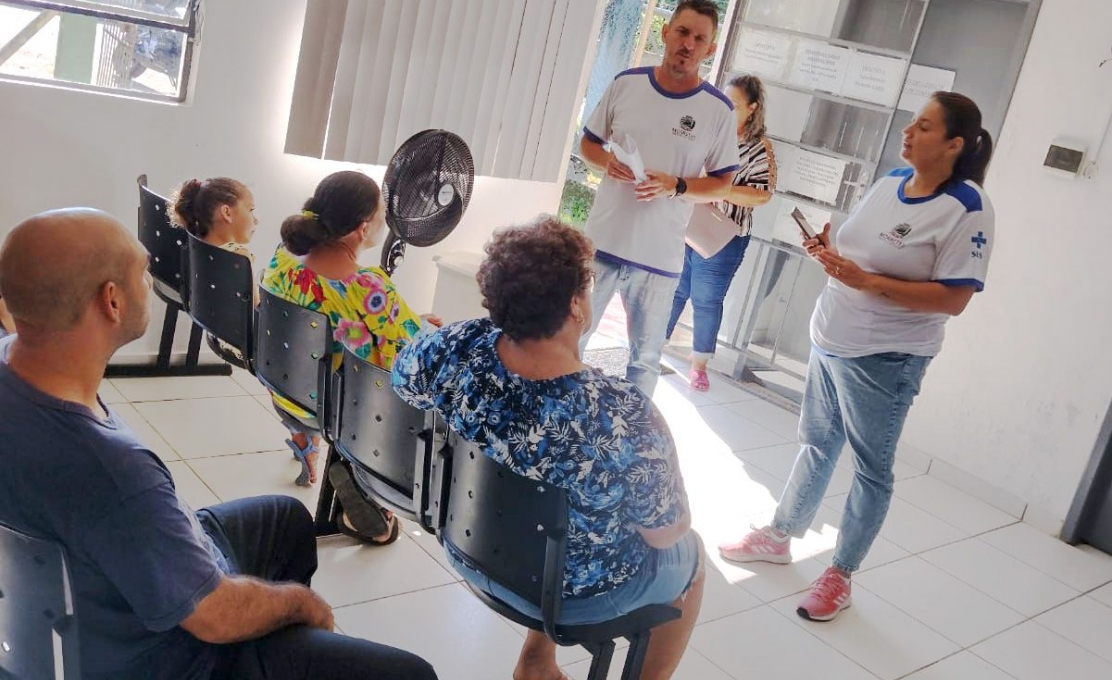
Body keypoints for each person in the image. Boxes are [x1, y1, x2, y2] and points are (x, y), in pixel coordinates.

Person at [0, 208, 437, 680]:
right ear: (112, 301)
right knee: (409, 673)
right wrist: (302, 604)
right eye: (143, 274)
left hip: (96, 592)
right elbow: (213, 615)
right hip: (169, 657)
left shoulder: (14, 366)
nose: (149, 282)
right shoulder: (113, 472)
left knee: (286, 518)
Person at [718, 92, 996, 622]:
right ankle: (780, 535)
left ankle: (840, 574)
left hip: (887, 359)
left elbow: (955, 298)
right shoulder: (892, 181)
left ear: (955, 145)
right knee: (817, 445)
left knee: (872, 469)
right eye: (911, 123)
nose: (908, 132)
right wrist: (832, 253)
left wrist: (869, 282)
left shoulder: (968, 208)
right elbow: (862, 250)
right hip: (831, 337)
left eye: (924, 127)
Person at [392, 217, 704, 680]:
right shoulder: (622, 413)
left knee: (557, 518)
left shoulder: (453, 344)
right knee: (692, 558)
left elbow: (403, 387)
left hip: (470, 550)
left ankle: (537, 659)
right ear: (576, 305)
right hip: (572, 599)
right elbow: (662, 533)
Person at [262, 170, 439, 544]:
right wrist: (419, 326)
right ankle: (370, 485)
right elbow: (406, 353)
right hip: (338, 412)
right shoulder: (369, 288)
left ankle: (352, 476)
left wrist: (402, 319)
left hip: (283, 390)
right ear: (362, 228)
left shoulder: (284, 260)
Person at [578, 0, 739, 397]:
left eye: (700, 39)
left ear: (710, 50)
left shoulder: (717, 110)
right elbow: (588, 144)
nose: (688, 44)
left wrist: (677, 185)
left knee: (644, 361)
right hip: (601, 244)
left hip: (660, 259)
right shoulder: (626, 83)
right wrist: (607, 162)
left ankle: (633, 447)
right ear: (665, 33)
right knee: (570, 344)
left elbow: (722, 184)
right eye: (682, 32)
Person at [665, 74, 777, 391]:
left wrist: (720, 189)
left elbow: (763, 194)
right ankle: (655, 344)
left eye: (735, 104)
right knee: (675, 286)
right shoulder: (711, 132)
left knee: (706, 299)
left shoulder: (759, 149)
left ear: (753, 109)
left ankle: (698, 365)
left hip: (724, 236)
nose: (726, 108)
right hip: (689, 221)